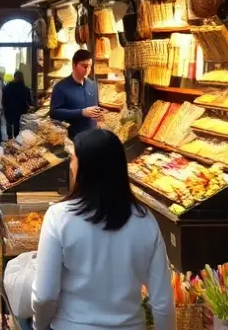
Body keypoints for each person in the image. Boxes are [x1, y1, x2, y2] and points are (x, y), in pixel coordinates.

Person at [31, 129, 173, 330]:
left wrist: (38, 325)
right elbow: (162, 302)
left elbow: (44, 296)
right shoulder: (145, 221)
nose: (70, 165)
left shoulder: (58, 217)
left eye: (73, 159)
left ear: (86, 168)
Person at [49, 49, 102, 140]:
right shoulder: (60, 87)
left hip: (92, 137)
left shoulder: (93, 85)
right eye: (84, 66)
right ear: (74, 65)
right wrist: (81, 113)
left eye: (89, 66)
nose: (87, 69)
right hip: (72, 139)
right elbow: (54, 113)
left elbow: (95, 108)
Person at [2, 71, 34, 140]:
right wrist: (31, 105)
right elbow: (29, 101)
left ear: (14, 77)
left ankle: (10, 138)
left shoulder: (8, 87)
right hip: (21, 109)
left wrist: (4, 106)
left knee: (9, 123)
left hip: (9, 109)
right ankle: (17, 139)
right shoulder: (25, 88)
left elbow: (4, 99)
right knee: (18, 125)